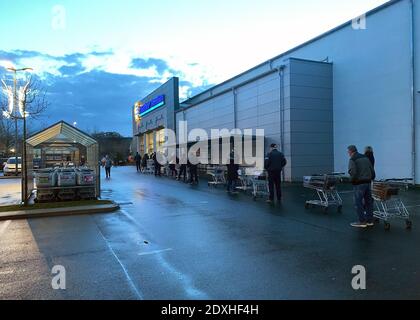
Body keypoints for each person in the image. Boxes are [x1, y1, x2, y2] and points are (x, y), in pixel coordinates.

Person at [348, 145, 376, 228]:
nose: (348, 153)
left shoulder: (352, 159)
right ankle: (369, 220)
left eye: (348, 152)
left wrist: (352, 181)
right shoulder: (365, 157)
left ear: (350, 151)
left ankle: (362, 221)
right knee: (368, 202)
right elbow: (372, 169)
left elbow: (352, 172)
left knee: (358, 202)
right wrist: (371, 178)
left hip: (359, 183)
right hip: (368, 182)